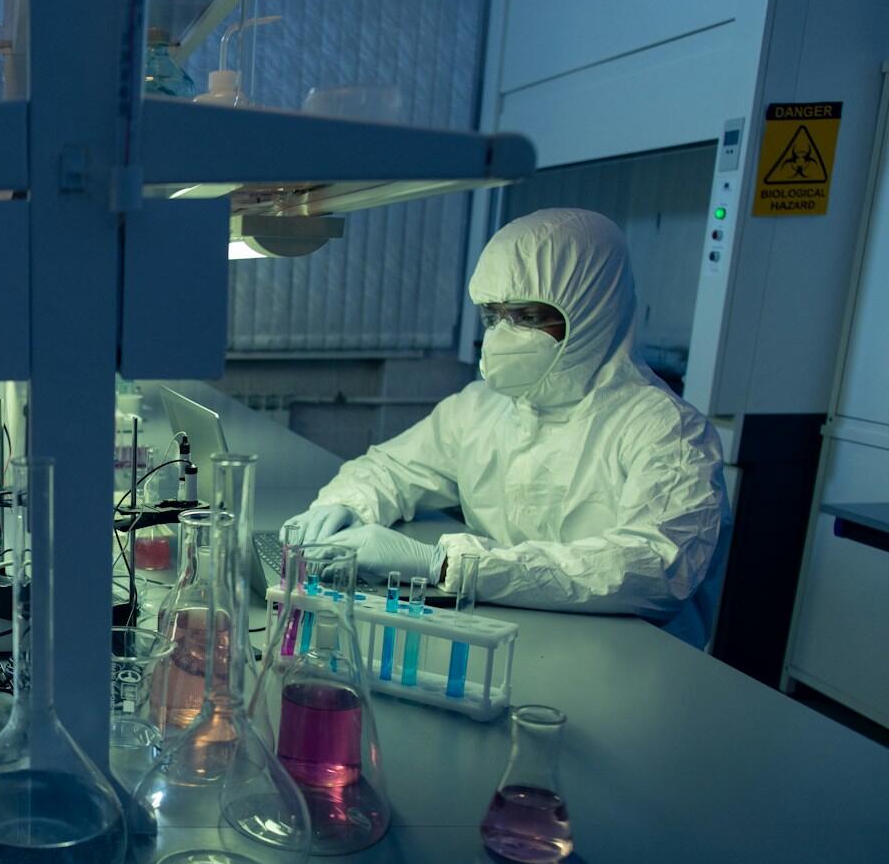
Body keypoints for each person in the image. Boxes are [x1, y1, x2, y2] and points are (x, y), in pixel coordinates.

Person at [285, 208, 725, 645]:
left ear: (595, 312)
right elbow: (392, 467)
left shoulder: (669, 432)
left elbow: (653, 570)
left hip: (633, 657)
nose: (500, 337)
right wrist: (346, 505)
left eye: (529, 317)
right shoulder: (482, 407)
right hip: (511, 633)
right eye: (493, 316)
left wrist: (444, 565)